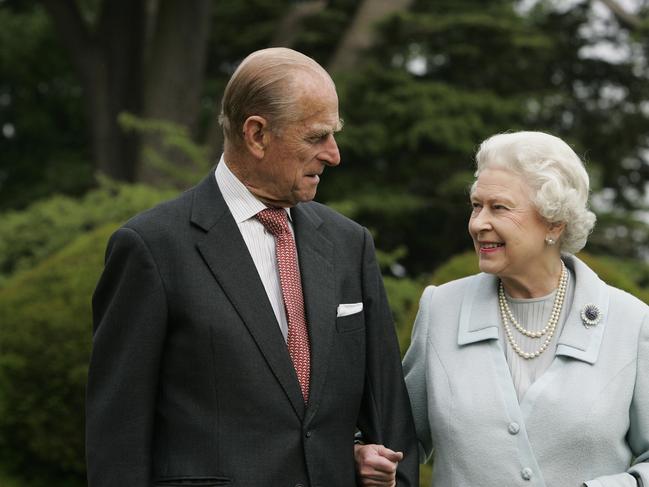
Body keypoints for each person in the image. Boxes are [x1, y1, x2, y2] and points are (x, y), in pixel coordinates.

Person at [86, 47, 418, 487]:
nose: (334, 154)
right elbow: (117, 441)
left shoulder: (349, 244)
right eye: (316, 137)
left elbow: (389, 418)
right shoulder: (152, 247)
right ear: (257, 135)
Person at [356, 131, 649, 486]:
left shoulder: (630, 323)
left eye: (499, 208)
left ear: (554, 222)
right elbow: (396, 437)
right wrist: (365, 456)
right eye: (476, 206)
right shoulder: (441, 309)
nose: (478, 223)